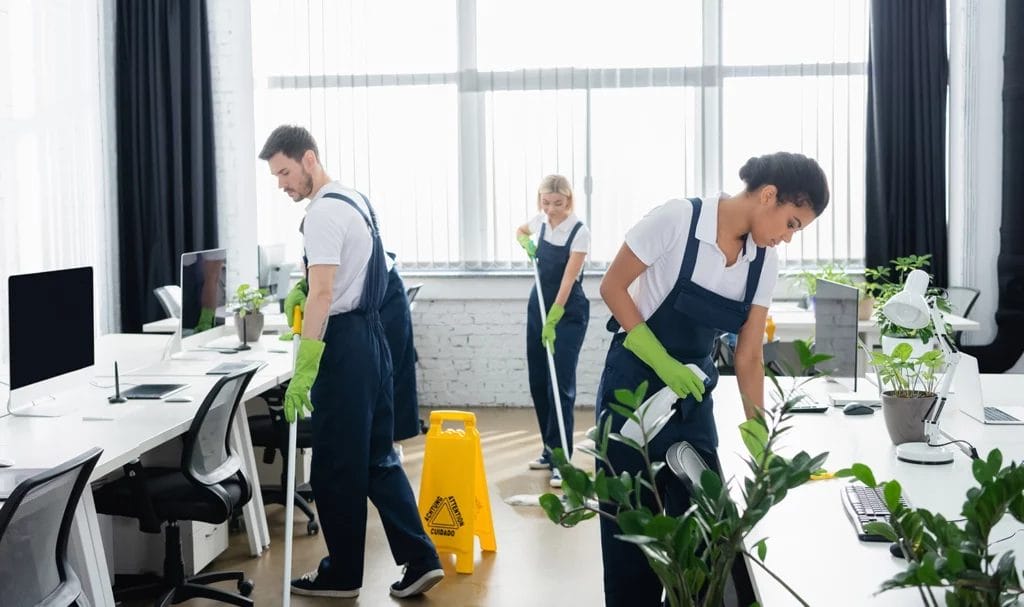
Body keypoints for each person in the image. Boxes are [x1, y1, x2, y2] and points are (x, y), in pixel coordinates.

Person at [596, 152, 829, 606]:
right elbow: (612, 287)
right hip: (635, 386)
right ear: (768, 196)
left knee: (706, 537)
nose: (787, 238)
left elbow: (748, 355)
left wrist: (760, 437)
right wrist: (662, 362)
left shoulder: (763, 262)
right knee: (631, 534)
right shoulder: (679, 219)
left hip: (692, 400)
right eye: (792, 223)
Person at [259, 125, 443, 599]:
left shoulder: (321, 214)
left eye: (284, 172)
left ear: (309, 159)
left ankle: (342, 574)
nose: (282, 185)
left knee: (336, 468)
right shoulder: (355, 200)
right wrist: (309, 289)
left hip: (344, 347)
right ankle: (421, 559)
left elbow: (322, 295)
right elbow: (343, 279)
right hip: (374, 338)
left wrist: (305, 367)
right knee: (377, 458)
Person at [280, 252, 422, 458]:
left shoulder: (327, 225)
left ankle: (381, 455)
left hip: (383, 297)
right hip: (372, 298)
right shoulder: (325, 230)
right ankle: (378, 456)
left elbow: (327, 286)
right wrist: (305, 287)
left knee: (380, 389)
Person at [515, 175, 590, 489]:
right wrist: (525, 241)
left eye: (558, 204)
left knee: (560, 384)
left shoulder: (579, 232)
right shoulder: (541, 222)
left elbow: (568, 279)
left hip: (566, 311)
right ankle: (548, 449)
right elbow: (521, 230)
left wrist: (555, 316)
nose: (552, 209)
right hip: (539, 307)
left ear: (569, 201)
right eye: (546, 203)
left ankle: (563, 461)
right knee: (539, 381)